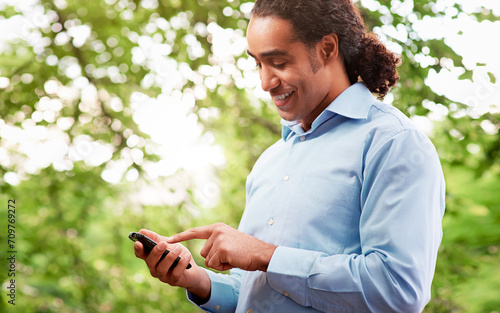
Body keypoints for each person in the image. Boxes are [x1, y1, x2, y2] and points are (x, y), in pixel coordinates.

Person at [133, 0, 446, 312]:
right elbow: (257, 290)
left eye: (278, 62)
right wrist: (198, 281)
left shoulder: (393, 143)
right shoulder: (270, 162)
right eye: (258, 64)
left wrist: (265, 255)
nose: (265, 82)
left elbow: (398, 290)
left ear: (327, 48)